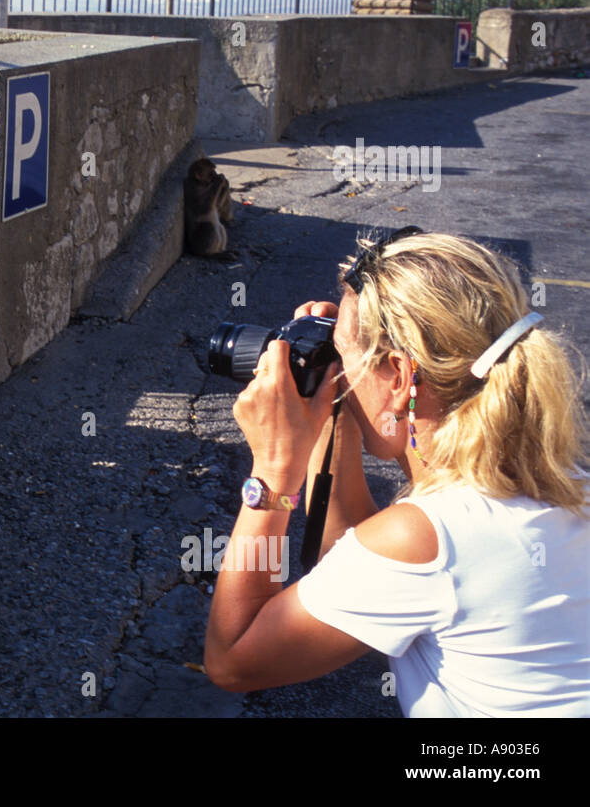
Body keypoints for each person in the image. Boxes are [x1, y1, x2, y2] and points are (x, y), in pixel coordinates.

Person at [203, 228, 590, 716]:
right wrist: (329, 412)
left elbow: (234, 661)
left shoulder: (425, 536)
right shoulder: (562, 476)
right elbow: (352, 566)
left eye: (342, 355)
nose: (338, 369)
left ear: (401, 377)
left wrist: (274, 472)